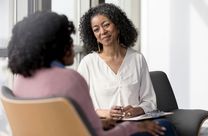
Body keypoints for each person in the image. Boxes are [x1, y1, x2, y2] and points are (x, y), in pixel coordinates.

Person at [7, 11, 168, 136]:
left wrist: (102, 122)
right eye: (67, 39)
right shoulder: (70, 79)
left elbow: (62, 121)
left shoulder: (20, 80)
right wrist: (135, 126)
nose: (72, 44)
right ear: (54, 45)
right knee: (165, 127)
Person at [78, 3, 177, 136]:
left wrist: (137, 110)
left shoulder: (137, 59)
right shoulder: (87, 63)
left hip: (135, 121)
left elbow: (150, 101)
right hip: (106, 124)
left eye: (106, 25)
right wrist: (106, 113)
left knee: (165, 126)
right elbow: (80, 105)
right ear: (93, 34)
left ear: (118, 26)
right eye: (96, 29)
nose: (102, 32)